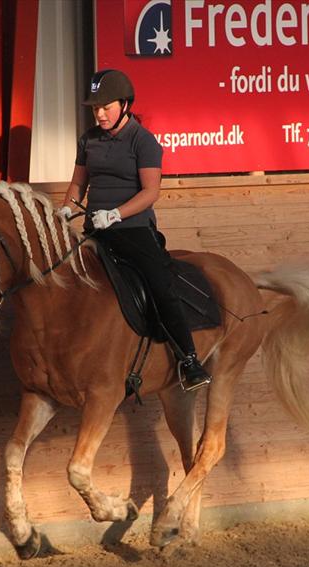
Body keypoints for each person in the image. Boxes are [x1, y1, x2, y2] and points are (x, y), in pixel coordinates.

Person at [58, 69, 212, 391]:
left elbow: (150, 192)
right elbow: (78, 184)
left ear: (125, 104)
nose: (99, 113)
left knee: (160, 285)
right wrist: (67, 208)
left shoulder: (143, 141)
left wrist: (115, 214)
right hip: (94, 228)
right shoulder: (88, 140)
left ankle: (189, 359)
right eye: (95, 108)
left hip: (132, 229)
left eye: (106, 106)